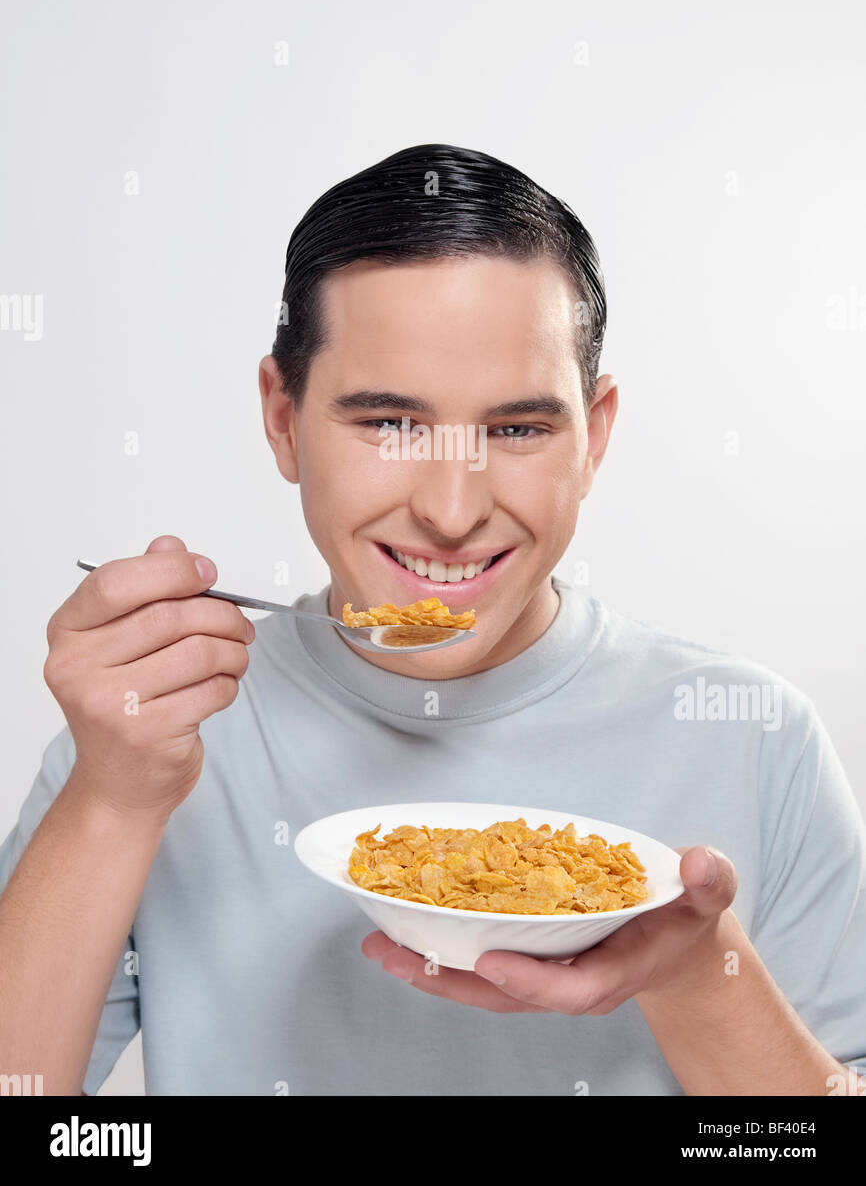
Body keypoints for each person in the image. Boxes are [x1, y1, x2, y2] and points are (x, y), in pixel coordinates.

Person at [1, 144, 864, 1096]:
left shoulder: (753, 739)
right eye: (389, 424)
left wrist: (700, 977)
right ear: (283, 419)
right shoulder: (153, 732)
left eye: (519, 429)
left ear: (596, 436)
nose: (452, 513)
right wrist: (113, 799)